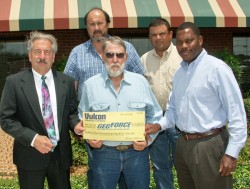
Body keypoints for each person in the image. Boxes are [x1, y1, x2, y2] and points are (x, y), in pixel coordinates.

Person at [146, 22, 247, 189]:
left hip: (209, 144)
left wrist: (231, 153)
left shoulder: (217, 69)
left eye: (189, 40)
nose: (184, 46)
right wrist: (158, 125)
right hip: (183, 145)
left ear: (200, 40)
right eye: (180, 42)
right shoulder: (179, 73)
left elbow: (237, 113)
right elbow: (172, 110)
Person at [63, 7, 144, 189]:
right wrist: (75, 121)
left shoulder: (126, 48)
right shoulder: (77, 52)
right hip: (96, 131)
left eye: (100, 23)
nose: (96, 27)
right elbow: (68, 89)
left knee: (129, 182)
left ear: (107, 24)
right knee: (99, 179)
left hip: (127, 133)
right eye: (92, 24)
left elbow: (142, 82)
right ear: (86, 27)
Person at [0, 31, 83, 189]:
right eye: (37, 52)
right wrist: (33, 138)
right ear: (30, 56)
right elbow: (6, 120)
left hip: (60, 157)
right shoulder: (14, 83)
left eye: (47, 52)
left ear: (53, 56)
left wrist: (76, 126)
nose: (42, 56)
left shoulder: (67, 82)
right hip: (29, 155)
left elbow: (71, 113)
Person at [78, 36, 162, 189]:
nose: (115, 59)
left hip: (136, 154)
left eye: (119, 55)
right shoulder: (90, 85)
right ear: (103, 57)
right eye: (110, 55)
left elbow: (155, 115)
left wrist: (147, 140)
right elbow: (82, 117)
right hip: (104, 155)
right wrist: (90, 136)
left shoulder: (140, 82)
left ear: (126, 57)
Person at [141, 18, 182, 189]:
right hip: (155, 121)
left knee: (184, 164)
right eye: (154, 35)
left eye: (162, 34)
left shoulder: (182, 56)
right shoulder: (144, 59)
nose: (158, 38)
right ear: (149, 38)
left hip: (179, 122)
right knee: (160, 166)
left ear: (170, 35)